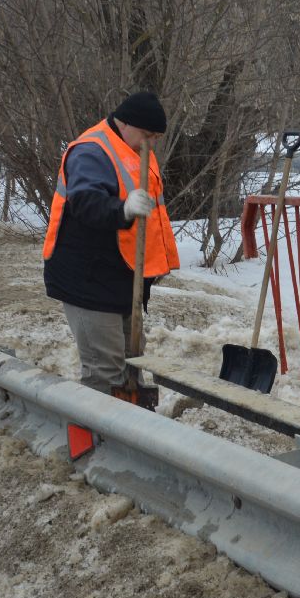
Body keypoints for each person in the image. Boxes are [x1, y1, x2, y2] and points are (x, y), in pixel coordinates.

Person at [42, 90, 181, 404]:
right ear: (127, 124)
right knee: (105, 370)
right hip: (88, 280)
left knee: (133, 362)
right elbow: (86, 202)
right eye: (148, 135)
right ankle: (101, 442)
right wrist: (123, 210)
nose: (151, 143)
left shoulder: (134, 149)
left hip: (123, 279)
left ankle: (137, 431)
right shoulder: (92, 151)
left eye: (156, 138)